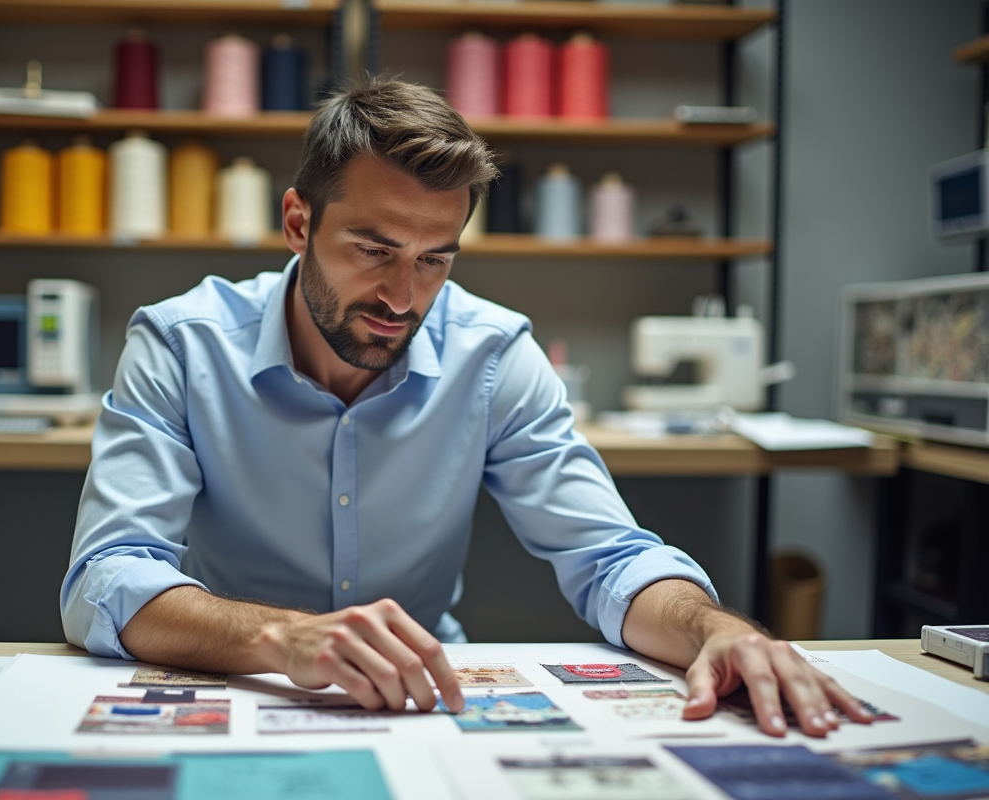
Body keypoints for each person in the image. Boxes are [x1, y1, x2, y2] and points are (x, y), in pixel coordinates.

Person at [61, 79, 871, 739]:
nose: (402, 298)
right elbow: (107, 577)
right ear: (298, 222)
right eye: (374, 250)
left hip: (423, 704)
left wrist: (717, 631)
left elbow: (610, 558)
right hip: (241, 687)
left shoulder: (492, 354)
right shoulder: (181, 344)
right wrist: (281, 638)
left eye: (434, 260)